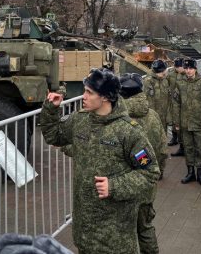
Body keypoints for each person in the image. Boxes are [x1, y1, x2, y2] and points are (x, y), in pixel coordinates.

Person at [39, 69, 160, 254]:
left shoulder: (129, 132)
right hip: (85, 227)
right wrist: (51, 109)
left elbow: (150, 172)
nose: (83, 97)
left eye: (89, 92)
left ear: (105, 97)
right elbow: (54, 136)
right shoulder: (80, 120)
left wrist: (114, 186)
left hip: (115, 233)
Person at [119, 73, 166, 254]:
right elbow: (162, 150)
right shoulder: (153, 115)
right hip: (146, 184)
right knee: (145, 228)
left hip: (122, 184)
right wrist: (156, 174)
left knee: (122, 231)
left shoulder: (118, 119)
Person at [172, 58, 201, 186]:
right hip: (185, 123)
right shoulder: (180, 84)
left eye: (191, 68)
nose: (188, 71)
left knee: (200, 149)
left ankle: (200, 173)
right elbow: (176, 104)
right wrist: (176, 121)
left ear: (195, 69)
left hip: (199, 124)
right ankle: (190, 173)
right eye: (186, 68)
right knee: (188, 148)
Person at [142, 59, 172, 146]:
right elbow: (146, 100)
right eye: (161, 72)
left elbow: (168, 99)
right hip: (152, 117)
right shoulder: (148, 82)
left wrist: (168, 115)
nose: (163, 74)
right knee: (153, 141)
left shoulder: (165, 80)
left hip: (163, 116)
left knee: (163, 140)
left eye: (164, 71)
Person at [166, 58, 185, 147]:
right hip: (173, 100)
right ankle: (174, 138)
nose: (178, 69)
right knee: (174, 119)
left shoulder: (187, 73)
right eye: (177, 67)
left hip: (184, 101)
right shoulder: (171, 74)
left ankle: (182, 142)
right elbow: (166, 83)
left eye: (180, 67)